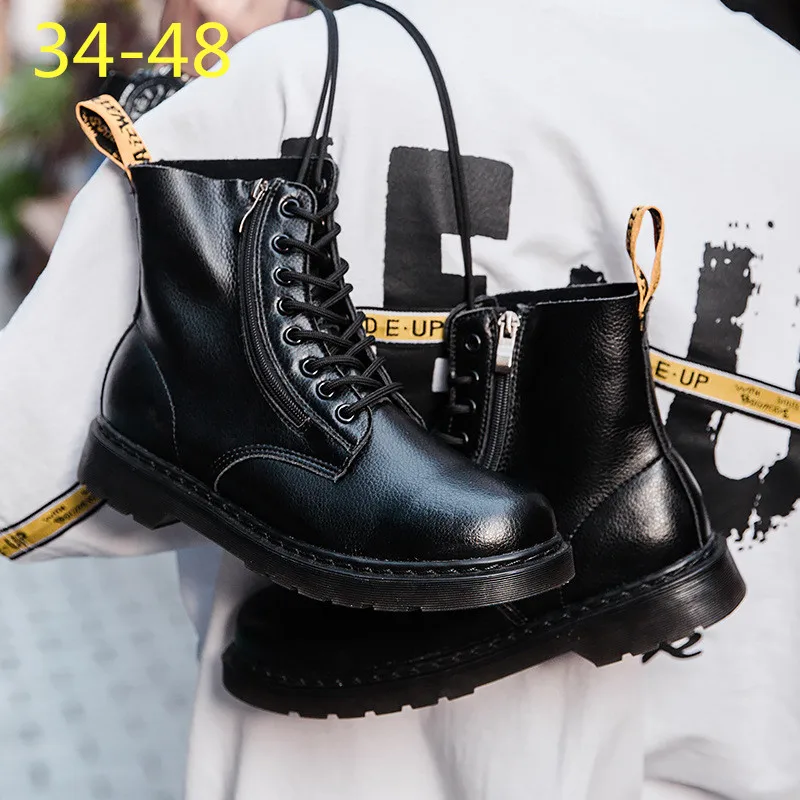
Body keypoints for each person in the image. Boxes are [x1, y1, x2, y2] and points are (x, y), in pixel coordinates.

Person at [1, 1, 799, 798]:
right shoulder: (782, 88)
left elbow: (22, 480)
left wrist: (183, 65)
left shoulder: (296, 73)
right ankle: (617, 514)